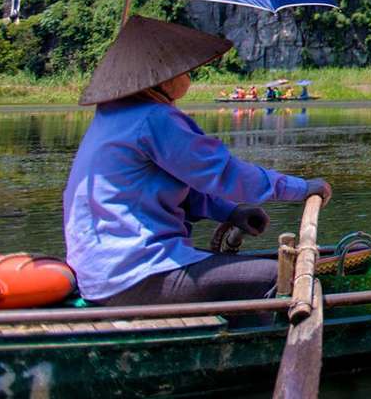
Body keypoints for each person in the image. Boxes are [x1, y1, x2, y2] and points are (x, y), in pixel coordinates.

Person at [62, 16, 331, 306]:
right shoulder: (154, 118)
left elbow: (181, 189)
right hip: (134, 274)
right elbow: (223, 173)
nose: (188, 76)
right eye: (185, 70)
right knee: (278, 277)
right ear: (163, 76)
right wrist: (302, 189)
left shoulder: (110, 117)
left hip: (99, 274)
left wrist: (230, 213)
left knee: (242, 270)